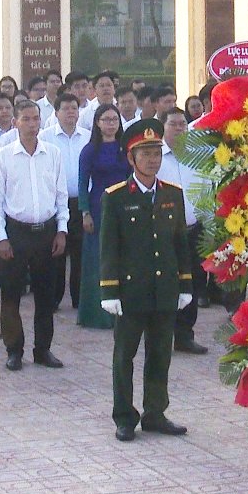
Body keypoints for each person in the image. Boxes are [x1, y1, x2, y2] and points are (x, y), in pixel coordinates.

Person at [99, 119, 190, 441]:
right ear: (131, 158)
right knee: (124, 355)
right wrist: (109, 290)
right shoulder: (117, 196)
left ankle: (155, 412)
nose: (153, 159)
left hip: (163, 288)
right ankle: (124, 416)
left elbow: (180, 243)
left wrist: (185, 284)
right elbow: (108, 246)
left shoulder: (172, 195)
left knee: (160, 353)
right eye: (146, 153)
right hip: (130, 290)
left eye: (157, 153)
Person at [0, 100, 69, 371]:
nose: (32, 124)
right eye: (26, 119)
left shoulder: (53, 154)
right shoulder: (3, 157)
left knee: (45, 296)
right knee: (11, 295)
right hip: (16, 232)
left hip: (46, 232)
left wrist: (62, 229)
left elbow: (61, 196)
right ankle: (14, 349)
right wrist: (1, 237)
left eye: (36, 119)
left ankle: (43, 349)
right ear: (15, 123)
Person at [157, 108, 210, 355]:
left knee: (193, 281)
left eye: (182, 124)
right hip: (165, 232)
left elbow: (207, 190)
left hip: (194, 228)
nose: (179, 128)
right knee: (168, 283)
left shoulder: (196, 157)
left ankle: (185, 334)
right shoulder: (154, 156)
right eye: (173, 124)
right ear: (163, 127)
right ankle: (163, 334)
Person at [77, 103, 129, 329]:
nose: (110, 124)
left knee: (121, 257)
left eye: (114, 120)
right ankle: (95, 313)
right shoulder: (90, 150)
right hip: (98, 207)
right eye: (106, 120)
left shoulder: (125, 149)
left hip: (124, 207)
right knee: (98, 259)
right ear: (97, 123)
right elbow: (82, 183)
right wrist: (85, 211)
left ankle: (122, 309)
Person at [40, 93, 90, 310]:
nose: (71, 112)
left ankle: (80, 298)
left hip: (81, 203)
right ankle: (54, 297)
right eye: (66, 108)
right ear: (56, 112)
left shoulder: (88, 137)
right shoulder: (45, 138)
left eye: (74, 108)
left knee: (80, 252)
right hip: (55, 203)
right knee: (56, 253)